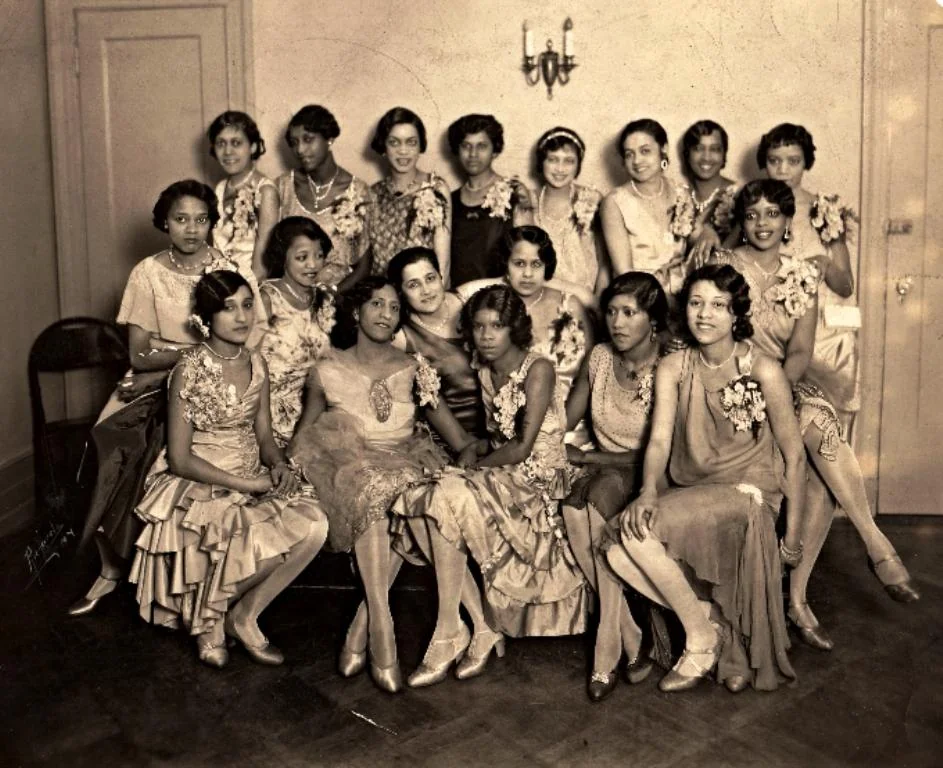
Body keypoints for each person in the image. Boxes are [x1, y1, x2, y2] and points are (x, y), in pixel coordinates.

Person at [712, 179, 919, 652]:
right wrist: (753, 389)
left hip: (783, 380)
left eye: (772, 214)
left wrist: (777, 391)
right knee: (821, 454)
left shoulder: (800, 275)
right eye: (752, 215)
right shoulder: (724, 266)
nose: (762, 223)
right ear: (741, 222)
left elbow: (802, 349)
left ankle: (810, 589)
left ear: (788, 222)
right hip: (730, 384)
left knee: (821, 442)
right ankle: (870, 553)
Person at [603, 264, 806, 693]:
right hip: (695, 489)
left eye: (718, 305)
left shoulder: (763, 369)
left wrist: (793, 535)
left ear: (736, 315)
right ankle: (710, 623)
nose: (704, 314)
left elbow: (794, 456)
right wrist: (647, 492)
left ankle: (699, 642)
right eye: (696, 303)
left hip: (748, 493)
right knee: (619, 551)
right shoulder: (674, 366)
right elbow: (658, 442)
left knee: (634, 541)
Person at [288, 277, 481, 693]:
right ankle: (384, 628)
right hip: (349, 464)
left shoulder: (414, 368)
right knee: (373, 489)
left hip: (408, 460)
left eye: (394, 308)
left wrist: (469, 463)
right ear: (356, 312)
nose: (386, 314)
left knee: (408, 493)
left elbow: (456, 437)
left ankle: (364, 624)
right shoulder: (326, 369)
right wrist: (286, 467)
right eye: (377, 304)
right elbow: (305, 435)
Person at [128, 270, 329, 669]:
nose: (241, 317)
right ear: (206, 318)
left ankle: (244, 615)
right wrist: (247, 483)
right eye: (227, 308)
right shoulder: (190, 368)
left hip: (251, 470)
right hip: (199, 481)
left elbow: (266, 437)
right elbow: (181, 458)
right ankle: (210, 620)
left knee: (314, 525)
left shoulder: (258, 363)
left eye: (247, 305)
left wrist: (277, 465)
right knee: (252, 536)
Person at [393, 285, 589, 687]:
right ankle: (471, 627)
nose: (485, 336)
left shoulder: (539, 369)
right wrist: (474, 451)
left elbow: (521, 445)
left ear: (514, 328)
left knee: (445, 495)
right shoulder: (485, 371)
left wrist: (474, 468)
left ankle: (455, 632)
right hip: (504, 474)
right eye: (479, 327)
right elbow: (497, 437)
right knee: (422, 497)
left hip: (537, 484)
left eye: (496, 326)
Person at [69, 179, 232, 616]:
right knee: (109, 442)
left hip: (216, 379)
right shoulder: (147, 272)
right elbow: (139, 356)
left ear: (212, 223)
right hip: (153, 376)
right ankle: (109, 568)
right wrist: (178, 361)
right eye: (181, 219)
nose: (192, 229)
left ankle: (181, 583)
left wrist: (177, 361)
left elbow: (235, 345)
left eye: (201, 219)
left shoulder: (229, 268)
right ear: (164, 223)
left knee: (166, 456)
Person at [562, 272, 668, 700]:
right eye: (611, 312)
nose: (617, 323)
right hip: (605, 471)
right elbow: (565, 422)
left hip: (650, 476)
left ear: (653, 319)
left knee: (592, 500)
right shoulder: (601, 357)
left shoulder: (670, 365)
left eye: (630, 313)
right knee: (573, 504)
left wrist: (587, 458)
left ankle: (606, 649)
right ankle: (628, 632)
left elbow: (663, 452)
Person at [758, 123, 859, 417]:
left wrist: (823, 264)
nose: (782, 170)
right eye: (774, 161)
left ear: (806, 163)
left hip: (819, 335)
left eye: (793, 161)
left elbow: (846, 286)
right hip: (770, 326)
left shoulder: (822, 209)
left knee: (821, 420)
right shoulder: (754, 206)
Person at [388, 246, 484, 442]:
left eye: (430, 278)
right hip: (450, 437)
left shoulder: (469, 303)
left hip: (498, 423)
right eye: (413, 285)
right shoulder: (401, 337)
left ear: (441, 277)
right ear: (401, 292)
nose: (426, 291)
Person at [256, 216, 336, 446]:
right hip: (271, 407)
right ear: (283, 257)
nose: (313, 265)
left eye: (319, 256)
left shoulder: (325, 298)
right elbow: (248, 359)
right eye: (302, 258)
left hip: (317, 404)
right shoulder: (267, 297)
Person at [277, 105, 370, 288]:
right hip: (292, 295)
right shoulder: (282, 187)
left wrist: (330, 299)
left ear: (329, 139)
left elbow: (364, 266)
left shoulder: (357, 192)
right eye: (294, 142)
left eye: (308, 139)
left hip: (341, 294)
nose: (300, 150)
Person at [364, 107, 452, 284]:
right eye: (394, 142)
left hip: (423, 293)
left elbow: (443, 263)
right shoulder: (372, 193)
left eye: (411, 142)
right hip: (384, 296)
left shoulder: (436, 188)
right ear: (383, 147)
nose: (403, 151)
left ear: (420, 146)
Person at [447, 113, 533, 285]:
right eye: (466, 146)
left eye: (482, 146)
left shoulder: (514, 193)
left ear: (495, 150)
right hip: (458, 297)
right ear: (457, 149)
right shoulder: (450, 200)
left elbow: (528, 253)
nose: (473, 154)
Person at [601, 119, 686, 290]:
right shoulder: (614, 202)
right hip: (641, 296)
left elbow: (696, 234)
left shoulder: (679, 191)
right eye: (629, 154)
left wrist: (708, 231)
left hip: (684, 291)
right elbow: (624, 273)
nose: (637, 160)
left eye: (645, 151)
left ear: (664, 149)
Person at [532, 126, 606, 294]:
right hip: (543, 295)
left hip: (588, 296)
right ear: (541, 162)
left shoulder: (591, 199)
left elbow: (605, 263)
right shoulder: (530, 201)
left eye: (569, 161)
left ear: (578, 165)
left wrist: (597, 302)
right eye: (552, 159)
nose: (560, 168)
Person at [207, 111, 279, 281]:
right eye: (221, 143)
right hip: (219, 279)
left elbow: (261, 267)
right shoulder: (219, 188)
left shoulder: (265, 191)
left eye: (236, 143)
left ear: (253, 147)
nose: (227, 151)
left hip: (250, 285)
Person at [680, 120, 738, 264]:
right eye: (698, 148)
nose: (706, 157)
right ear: (687, 154)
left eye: (715, 149)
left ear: (724, 154)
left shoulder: (739, 195)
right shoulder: (678, 195)